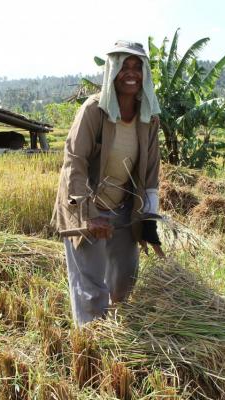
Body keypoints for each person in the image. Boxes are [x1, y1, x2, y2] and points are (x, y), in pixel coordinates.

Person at [51, 41, 164, 327]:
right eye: (124, 66)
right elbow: (74, 162)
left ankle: (118, 338)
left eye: (137, 67)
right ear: (112, 70)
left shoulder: (148, 118)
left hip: (123, 207)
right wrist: (88, 215)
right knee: (91, 290)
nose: (131, 73)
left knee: (125, 282)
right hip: (86, 204)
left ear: (145, 73)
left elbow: (150, 172)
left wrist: (149, 222)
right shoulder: (94, 111)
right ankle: (91, 348)